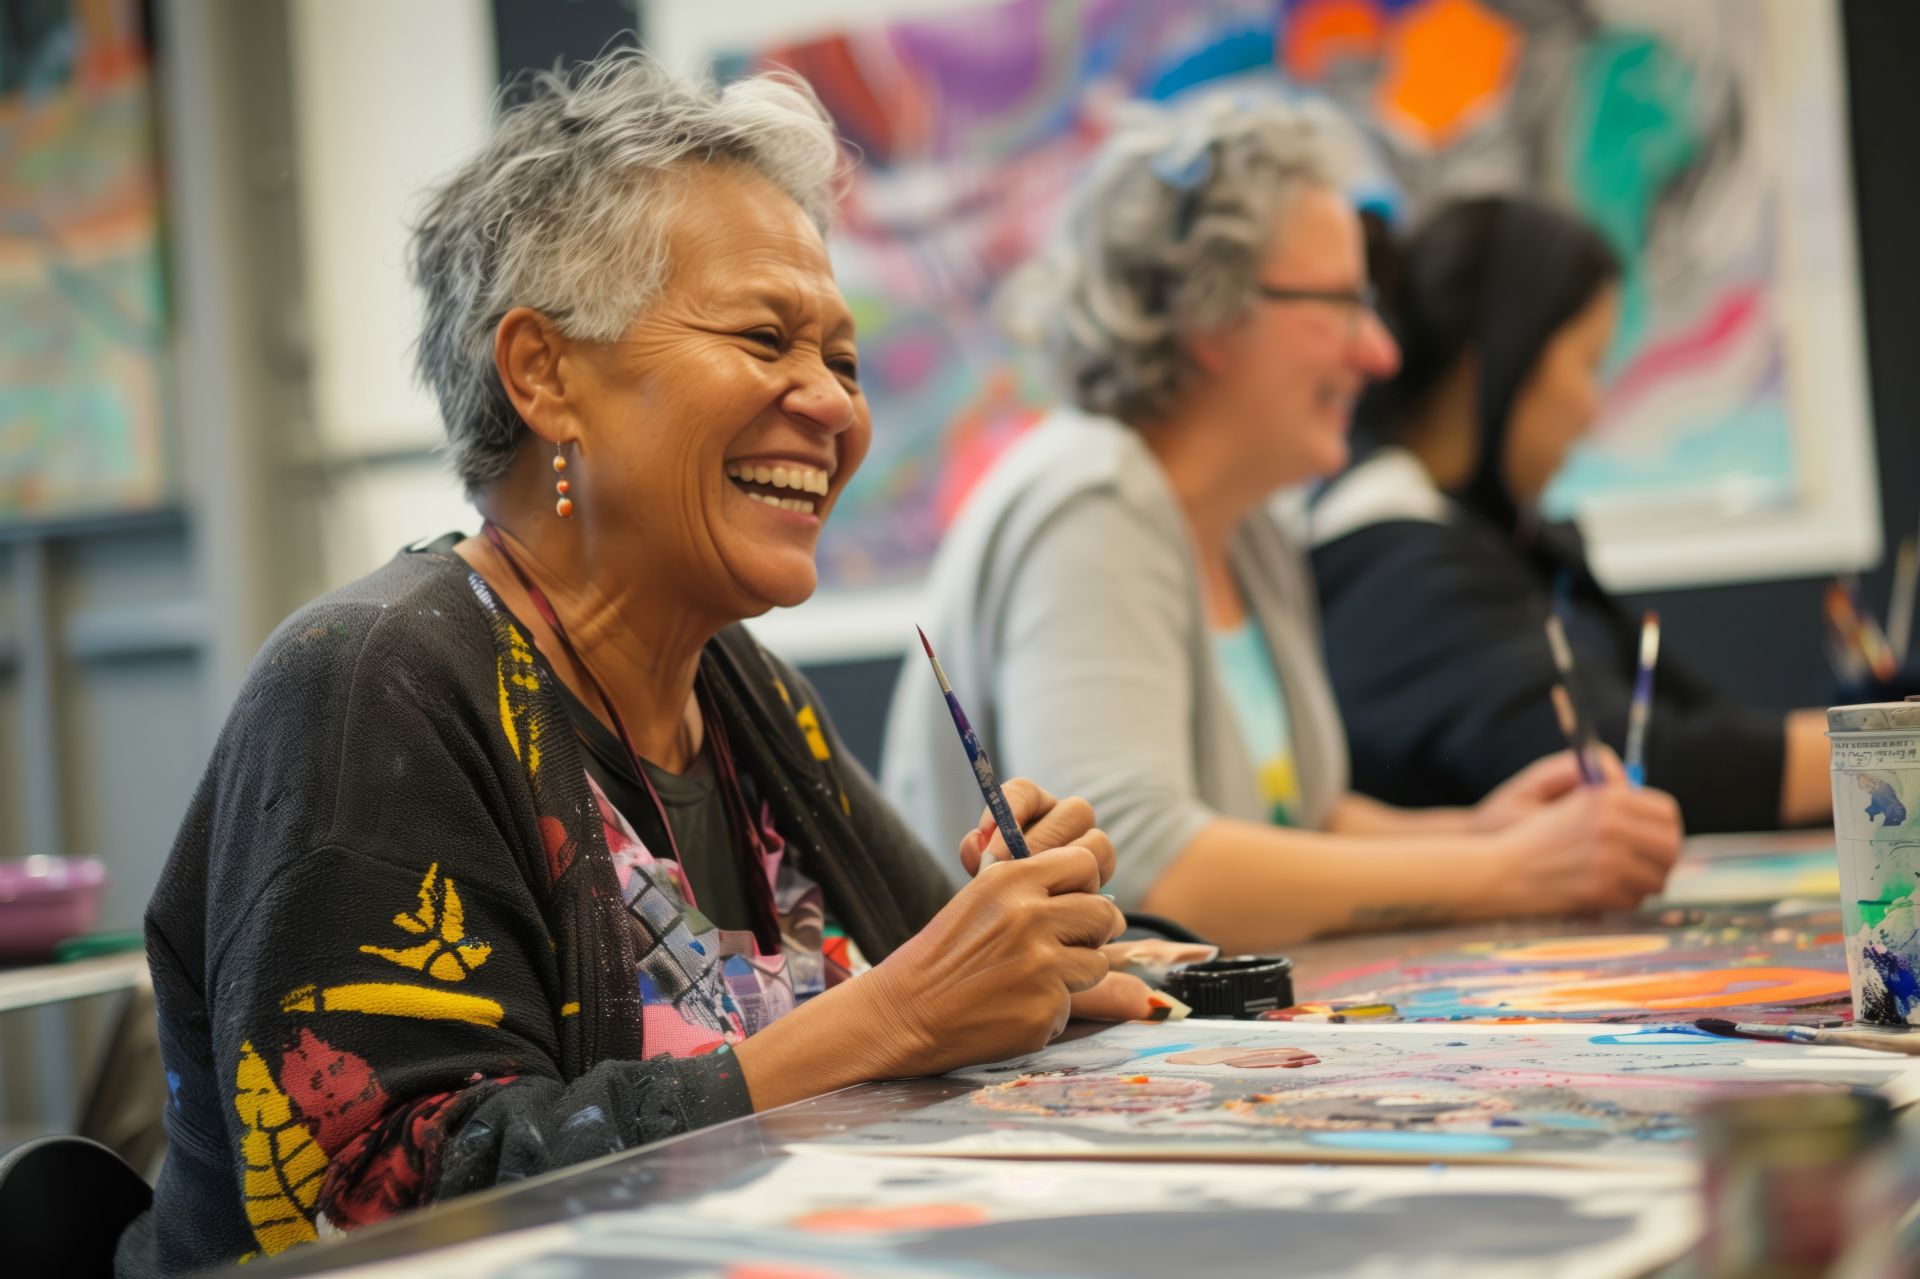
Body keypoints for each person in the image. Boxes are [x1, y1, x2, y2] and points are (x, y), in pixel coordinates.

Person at [120, 55, 1138, 1277]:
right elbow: (379, 1213)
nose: (831, 405)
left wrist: (1036, 948)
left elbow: (938, 969)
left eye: (847, 361)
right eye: (767, 338)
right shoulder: (369, 683)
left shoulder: (742, 693)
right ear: (543, 373)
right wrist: (903, 1011)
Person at [883, 95, 1683, 956]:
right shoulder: (1093, 499)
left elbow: (1292, 818)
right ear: (1209, 313)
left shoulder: (1251, 526)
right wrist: (1511, 872)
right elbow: (1141, 867)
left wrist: (1481, 833)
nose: (1378, 352)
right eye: (1342, 302)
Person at [1310, 195, 1830, 833]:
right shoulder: (1393, 561)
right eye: (1586, 365)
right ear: (1499, 359)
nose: (1593, 410)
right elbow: (1635, 765)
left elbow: (1689, 716)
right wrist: (1883, 750)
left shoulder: (1497, 540)